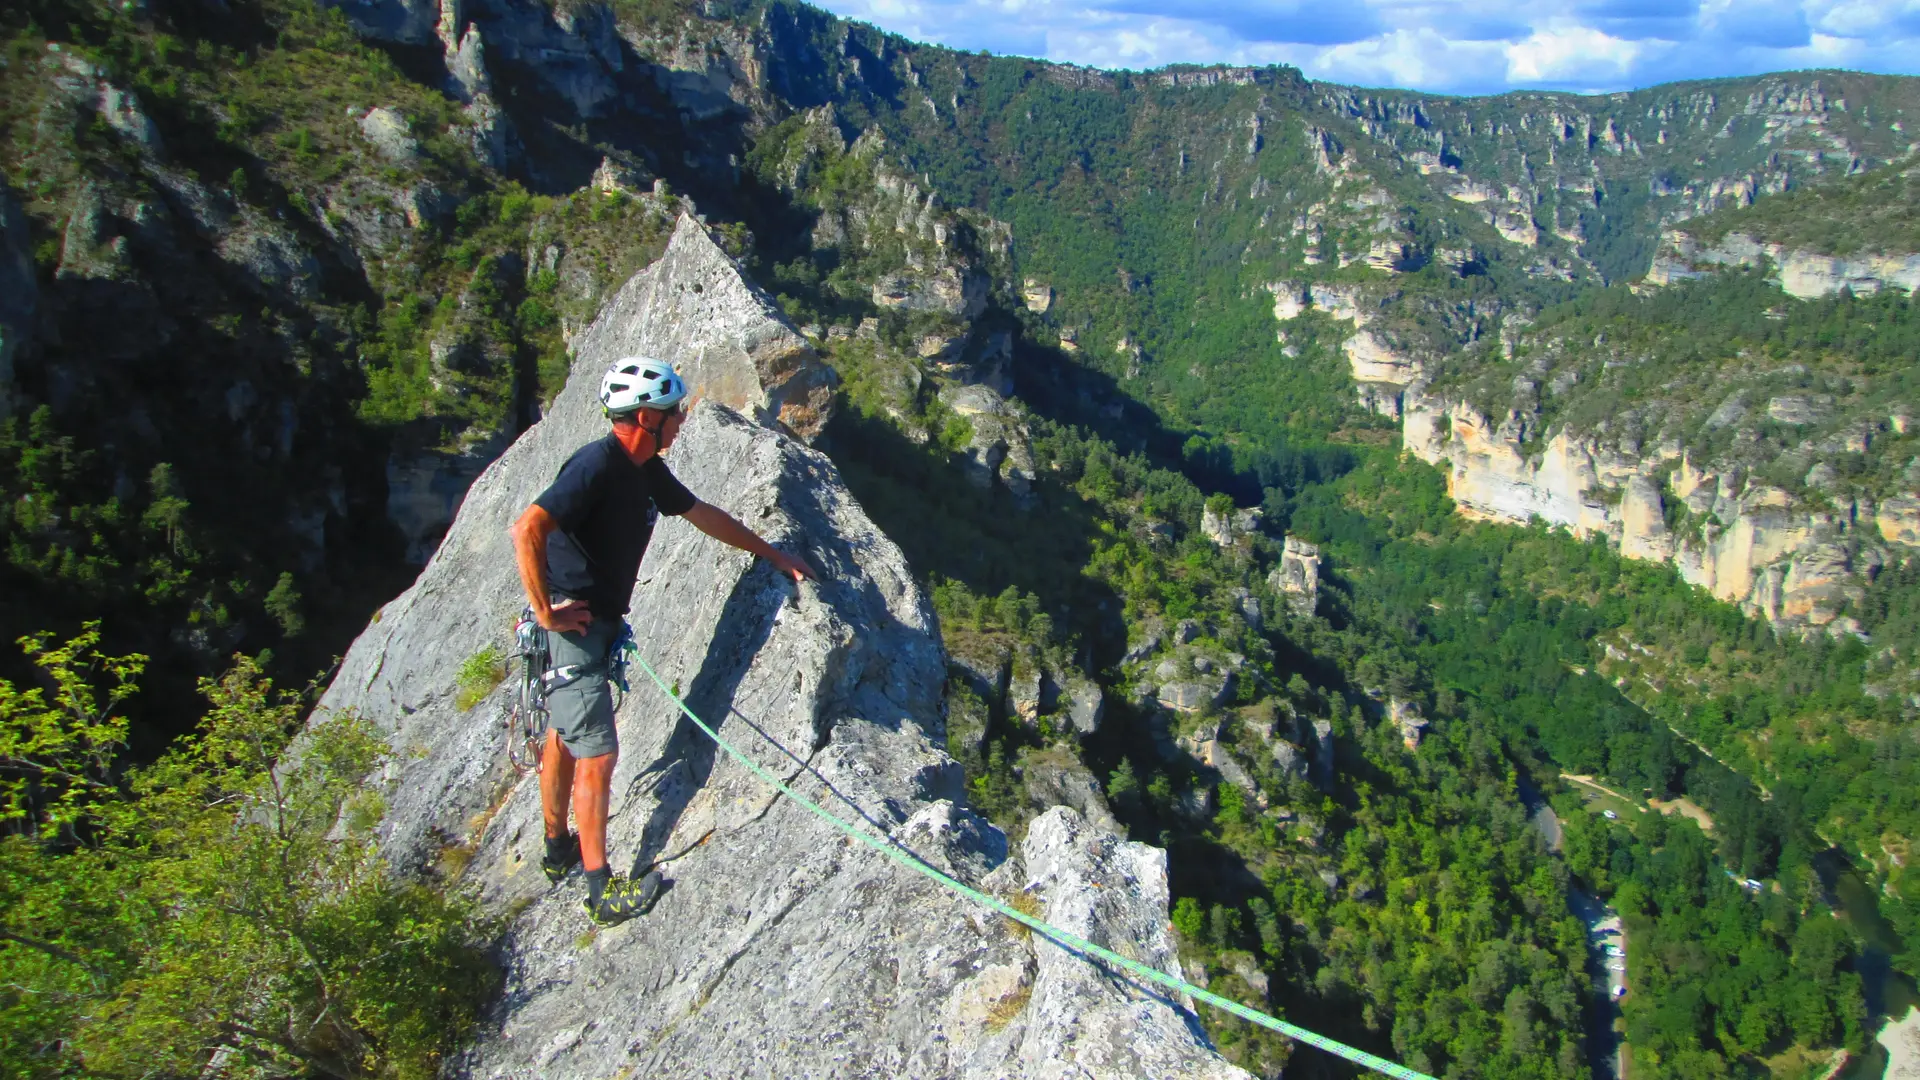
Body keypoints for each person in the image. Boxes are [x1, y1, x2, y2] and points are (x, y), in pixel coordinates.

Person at [509, 357, 818, 925]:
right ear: (647, 416)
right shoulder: (598, 465)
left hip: (592, 624)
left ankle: (557, 848)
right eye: (674, 412)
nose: (680, 421)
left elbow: (703, 514)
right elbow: (528, 526)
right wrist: (545, 612)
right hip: (573, 627)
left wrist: (772, 554)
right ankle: (601, 892)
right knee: (597, 751)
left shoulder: (645, 468)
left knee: (563, 735)